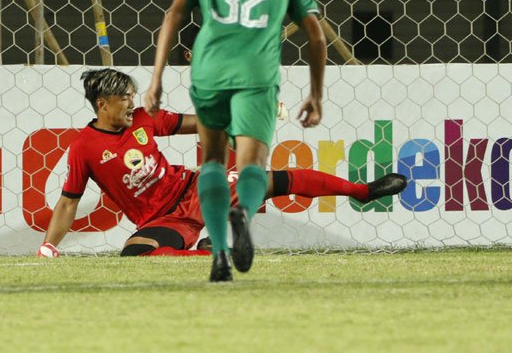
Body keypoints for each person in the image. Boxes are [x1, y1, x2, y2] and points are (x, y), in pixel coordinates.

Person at [39, 69, 406, 259]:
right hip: (161, 220)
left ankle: (362, 191)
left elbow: (202, 121)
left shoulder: (144, 119)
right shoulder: (83, 148)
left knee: (271, 179)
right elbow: (69, 201)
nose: (132, 104)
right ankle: (209, 252)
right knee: (136, 254)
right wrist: (50, 246)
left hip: (196, 189)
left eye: (133, 97)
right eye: (124, 100)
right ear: (103, 104)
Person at [144, 0, 321, 281]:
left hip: (209, 73)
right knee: (251, 165)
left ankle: (220, 253)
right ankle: (243, 212)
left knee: (211, 160)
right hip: (256, 75)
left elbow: (172, 16)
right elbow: (316, 35)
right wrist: (316, 94)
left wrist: (156, 80)